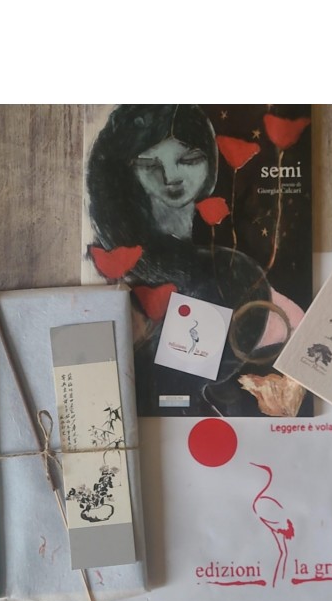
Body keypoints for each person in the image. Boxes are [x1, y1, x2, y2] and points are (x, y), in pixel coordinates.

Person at [86, 105, 292, 415]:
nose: (170, 177)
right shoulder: (127, 261)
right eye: (149, 164)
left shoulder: (228, 267)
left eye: (190, 159)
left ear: (210, 162)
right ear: (127, 169)